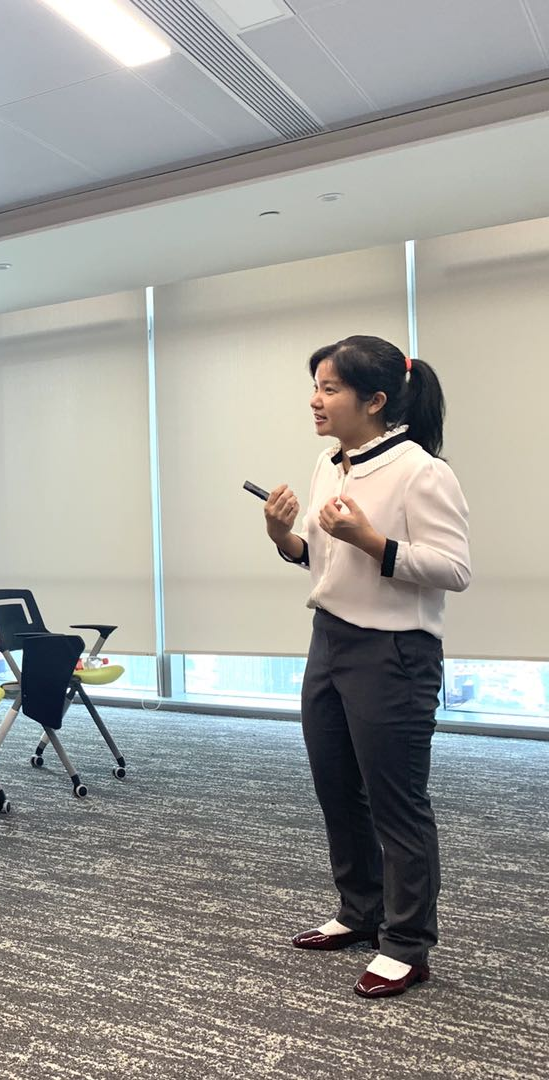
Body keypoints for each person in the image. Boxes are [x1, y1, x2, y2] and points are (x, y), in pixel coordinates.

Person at [263, 336, 470, 1000]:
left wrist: (372, 540)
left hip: (394, 652)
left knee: (396, 803)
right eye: (316, 386)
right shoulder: (331, 464)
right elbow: (323, 558)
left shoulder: (421, 472)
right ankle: (359, 911)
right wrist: (284, 537)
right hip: (329, 640)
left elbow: (454, 569)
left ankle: (407, 944)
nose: (315, 400)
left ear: (375, 400)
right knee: (336, 787)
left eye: (330, 388)